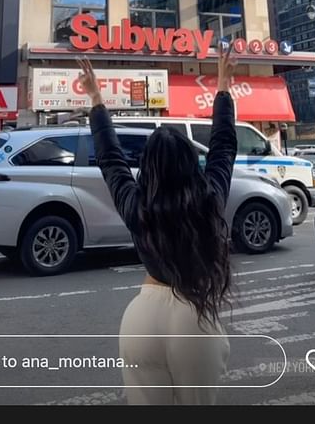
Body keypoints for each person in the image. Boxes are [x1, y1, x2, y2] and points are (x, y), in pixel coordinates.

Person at [77, 43, 238, 405]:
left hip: (139, 319)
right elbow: (224, 145)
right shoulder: (209, 197)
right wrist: (223, 87)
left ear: (147, 167)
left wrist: (96, 98)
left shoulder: (138, 206)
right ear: (189, 162)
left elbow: (110, 157)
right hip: (193, 316)